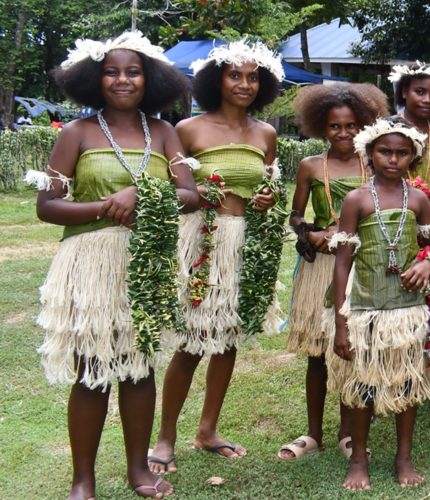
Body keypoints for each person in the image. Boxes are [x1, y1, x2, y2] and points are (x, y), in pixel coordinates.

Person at [30, 31, 197, 499]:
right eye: (112, 71)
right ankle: (83, 479)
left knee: (139, 366)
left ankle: (139, 472)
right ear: (94, 78)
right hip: (90, 262)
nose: (123, 80)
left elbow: (189, 194)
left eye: (133, 71)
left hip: (147, 260)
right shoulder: (76, 133)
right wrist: (106, 207)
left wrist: (141, 194)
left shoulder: (164, 133)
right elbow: (48, 205)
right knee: (91, 368)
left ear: (150, 79)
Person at [150, 40, 284, 472]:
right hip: (203, 241)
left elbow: (266, 187)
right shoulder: (187, 130)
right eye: (234, 75)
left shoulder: (266, 134)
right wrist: (200, 194)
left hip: (243, 243)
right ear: (215, 80)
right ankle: (165, 437)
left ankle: (208, 429)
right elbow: (173, 191)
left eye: (253, 77)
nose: (244, 84)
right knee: (192, 341)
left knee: (227, 340)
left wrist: (266, 198)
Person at [277, 82, 387, 461]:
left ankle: (348, 433)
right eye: (335, 127)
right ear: (321, 127)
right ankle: (312, 432)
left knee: (353, 350)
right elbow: (295, 217)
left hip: (364, 268)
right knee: (318, 353)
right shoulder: (310, 167)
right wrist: (312, 231)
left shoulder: (374, 165)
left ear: (365, 126)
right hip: (322, 268)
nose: (344, 133)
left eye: (352, 125)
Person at [326, 117, 430, 489]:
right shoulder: (357, 199)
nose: (393, 159)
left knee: (408, 382)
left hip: (406, 310)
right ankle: (359, 459)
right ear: (370, 153)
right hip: (365, 309)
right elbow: (342, 264)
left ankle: (403, 458)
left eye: (402, 152)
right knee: (363, 386)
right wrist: (342, 323)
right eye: (385, 151)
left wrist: (425, 261)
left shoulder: (419, 199)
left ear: (413, 156)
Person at [389, 62, 430, 208]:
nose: (427, 100)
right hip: (392, 213)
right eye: (420, 92)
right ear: (404, 92)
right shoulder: (386, 129)